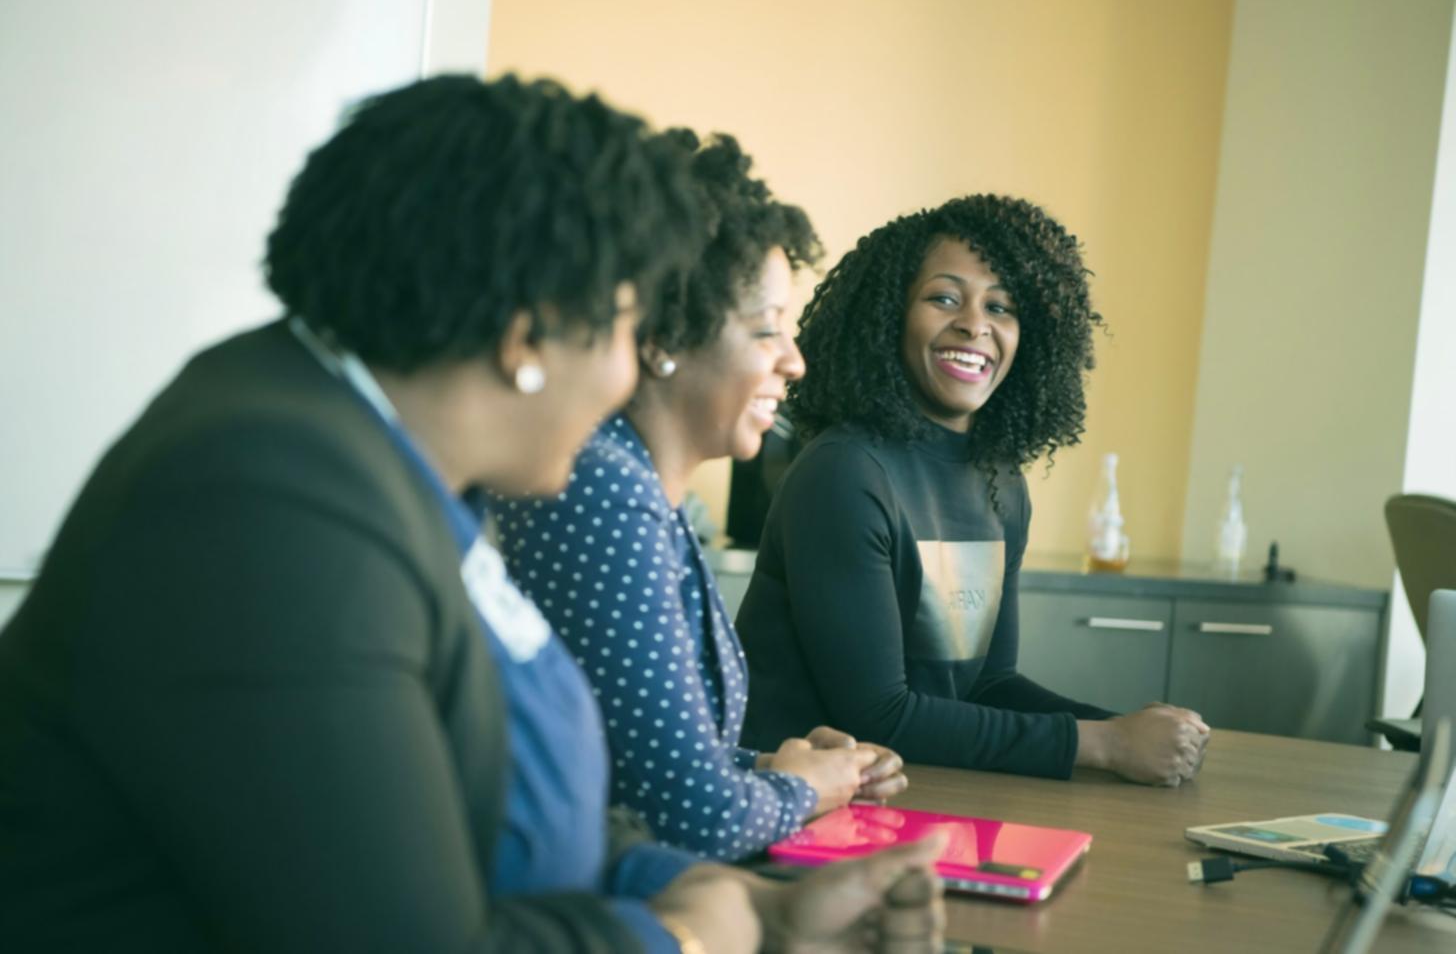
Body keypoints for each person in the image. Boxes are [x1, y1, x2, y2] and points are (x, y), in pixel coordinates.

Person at [0, 75, 945, 954]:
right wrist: (685, 937)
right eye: (625, 330)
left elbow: (495, 807)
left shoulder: (378, 461)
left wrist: (759, 907)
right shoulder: (261, 500)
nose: (628, 377)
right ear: (528, 335)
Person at [488, 131, 907, 863]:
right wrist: (805, 791)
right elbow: (691, 818)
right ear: (665, 336)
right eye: (766, 330)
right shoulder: (603, 490)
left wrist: (784, 770)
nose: (795, 360)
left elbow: (638, 766)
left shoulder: (636, 485)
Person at [736, 194, 1210, 786]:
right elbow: (880, 714)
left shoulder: (1000, 481)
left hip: (928, 788)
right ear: (890, 316)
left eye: (1001, 307)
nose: (975, 324)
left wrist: (1129, 730)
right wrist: (1106, 744)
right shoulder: (844, 472)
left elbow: (988, 685)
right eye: (943, 298)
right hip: (796, 810)